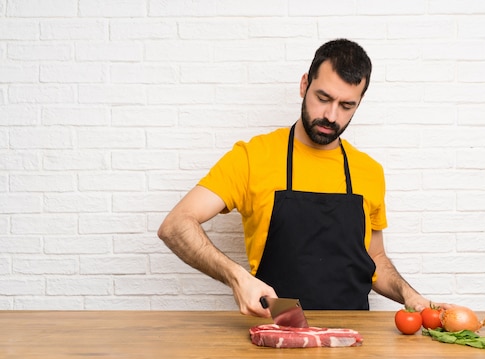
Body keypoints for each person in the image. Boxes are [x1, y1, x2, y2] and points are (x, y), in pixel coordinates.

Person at [158, 38, 450, 318]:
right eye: (323, 98)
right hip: (278, 329)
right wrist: (237, 278)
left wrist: (409, 295)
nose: (331, 116)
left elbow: (375, 260)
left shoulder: (369, 171)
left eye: (346, 106)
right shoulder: (253, 157)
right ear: (304, 85)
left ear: (359, 104)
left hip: (354, 340)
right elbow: (176, 225)